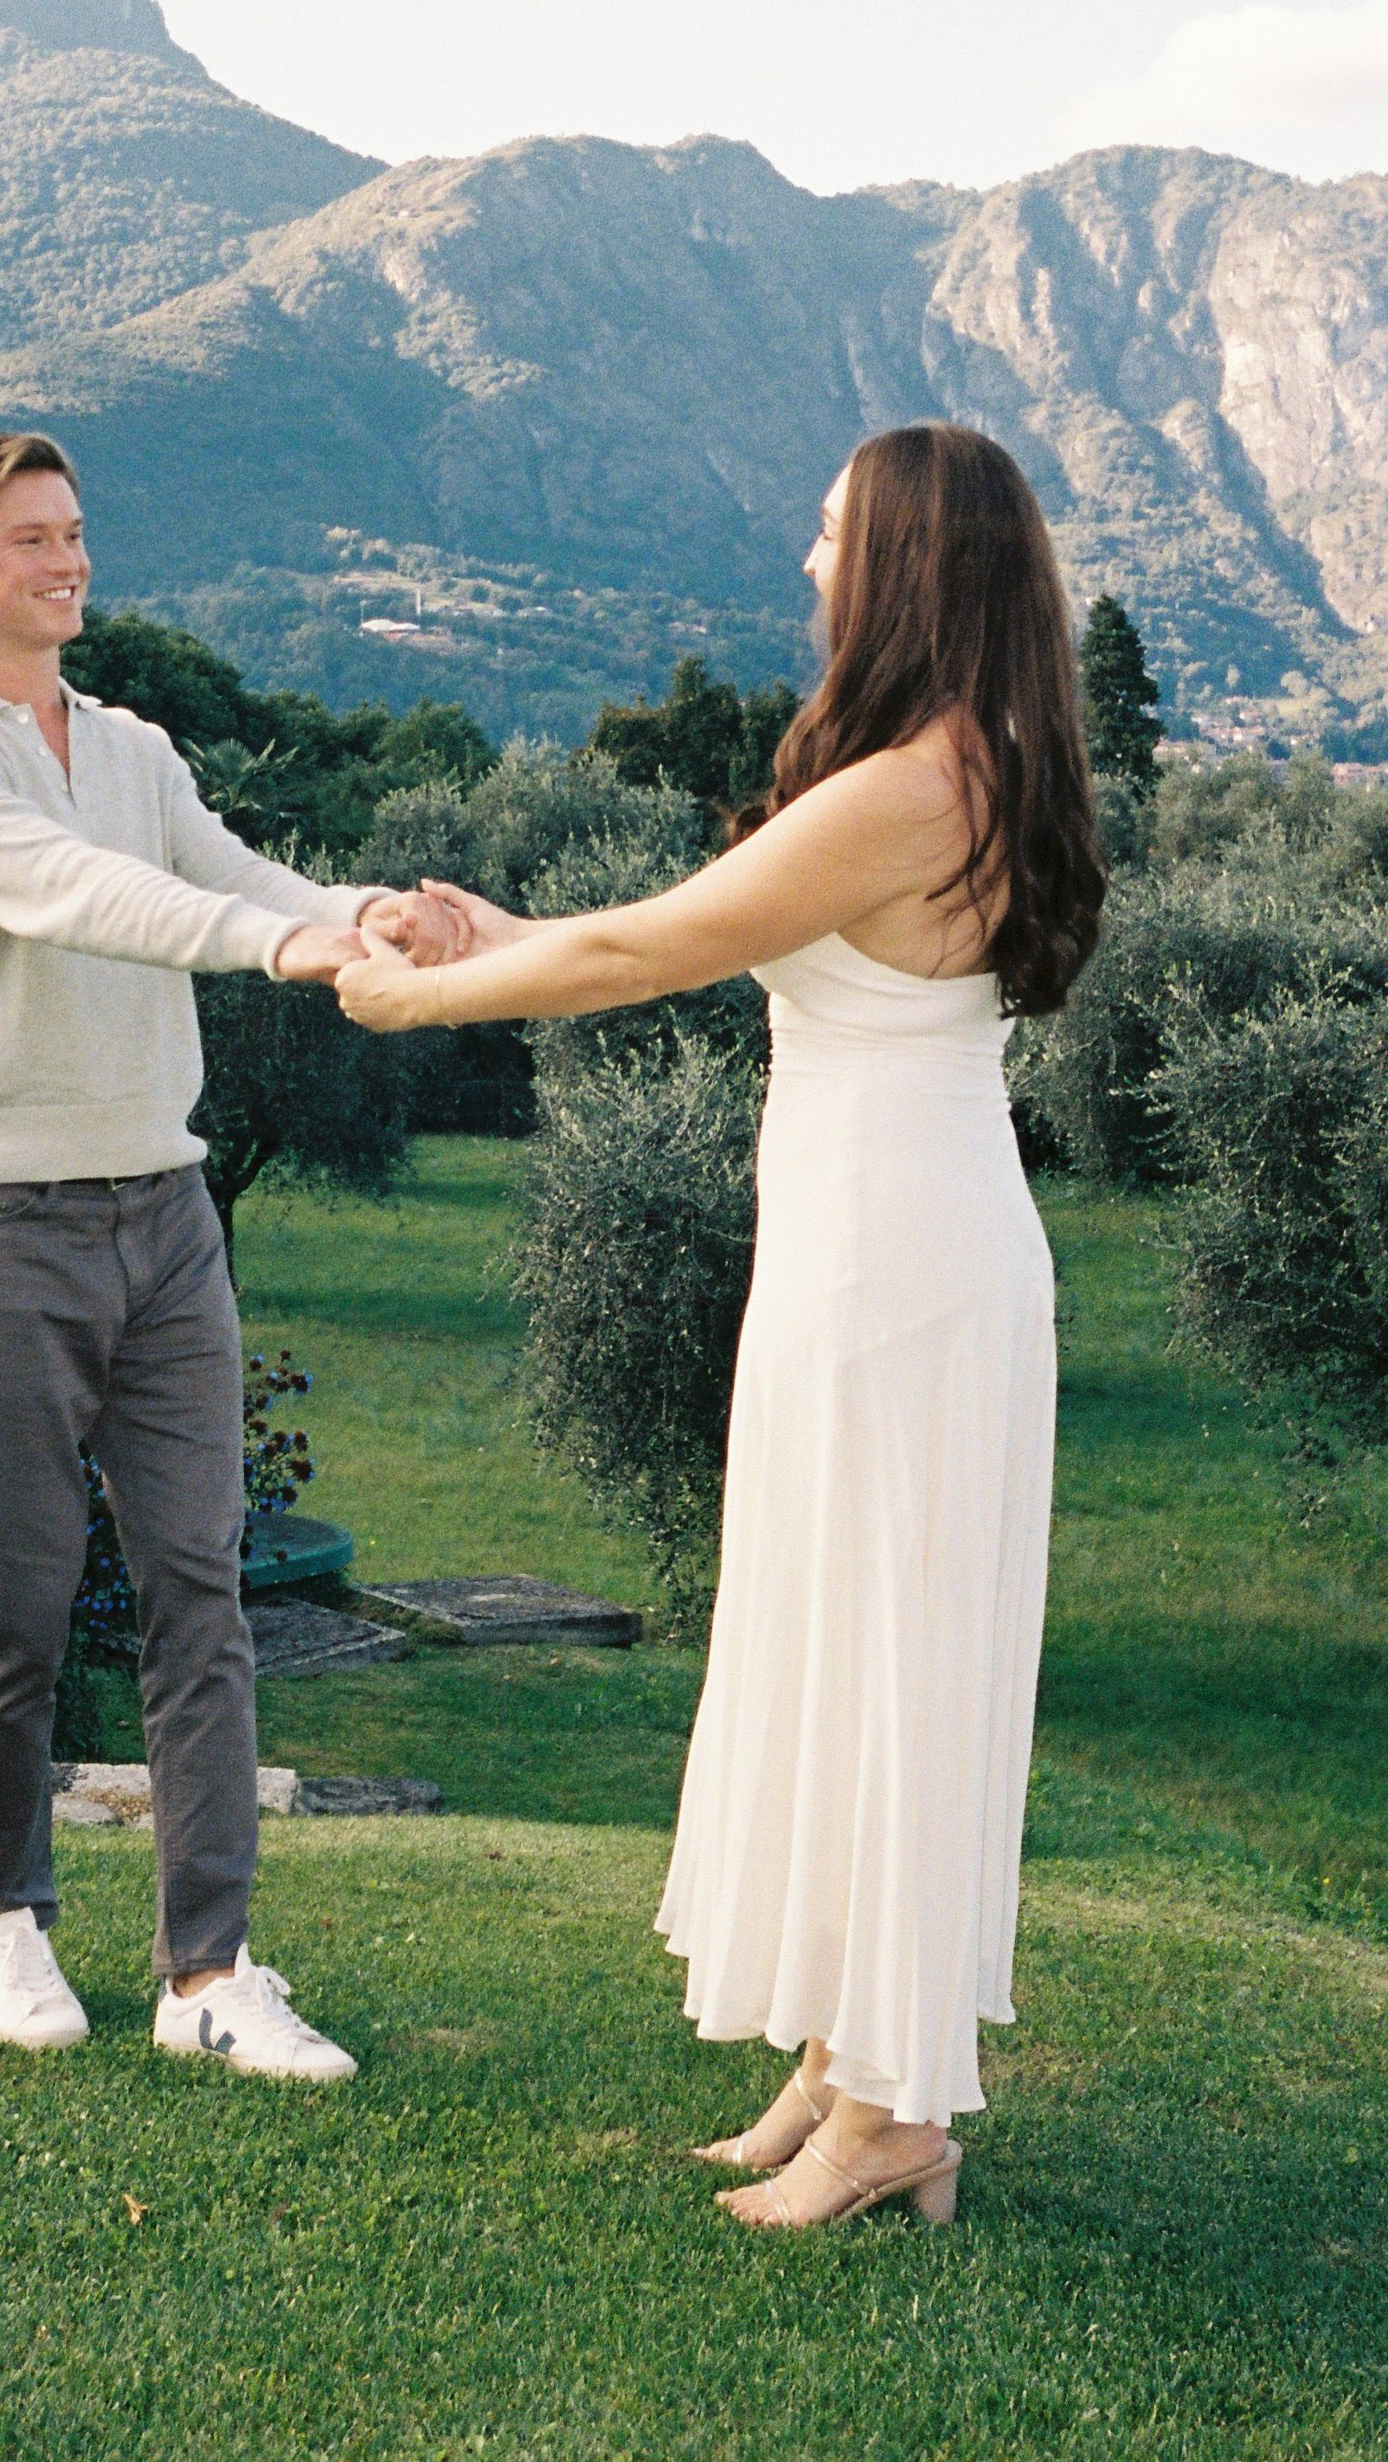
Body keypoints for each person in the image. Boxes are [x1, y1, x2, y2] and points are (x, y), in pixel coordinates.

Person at [337, 423, 1105, 2227]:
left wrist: (413, 999)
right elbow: (703, 934)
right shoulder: (942, 773)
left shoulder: (924, 781)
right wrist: (497, 938)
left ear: (906, 560)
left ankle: (897, 2110)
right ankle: (853, 2060)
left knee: (890, 1658)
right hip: (873, 1255)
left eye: (832, 530)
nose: (809, 558)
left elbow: (644, 957)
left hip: (898, 1275)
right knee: (851, 1646)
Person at [0, 430, 463, 2070]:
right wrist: (284, 943)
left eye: (76, 534)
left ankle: (209, 1972)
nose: (68, 561)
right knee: (19, 1603)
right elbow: (78, 897)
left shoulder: (129, 741)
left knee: (204, 1591)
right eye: (33, 538)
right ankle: (4, 1931)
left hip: (164, 1220)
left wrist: (367, 916)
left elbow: (233, 872)